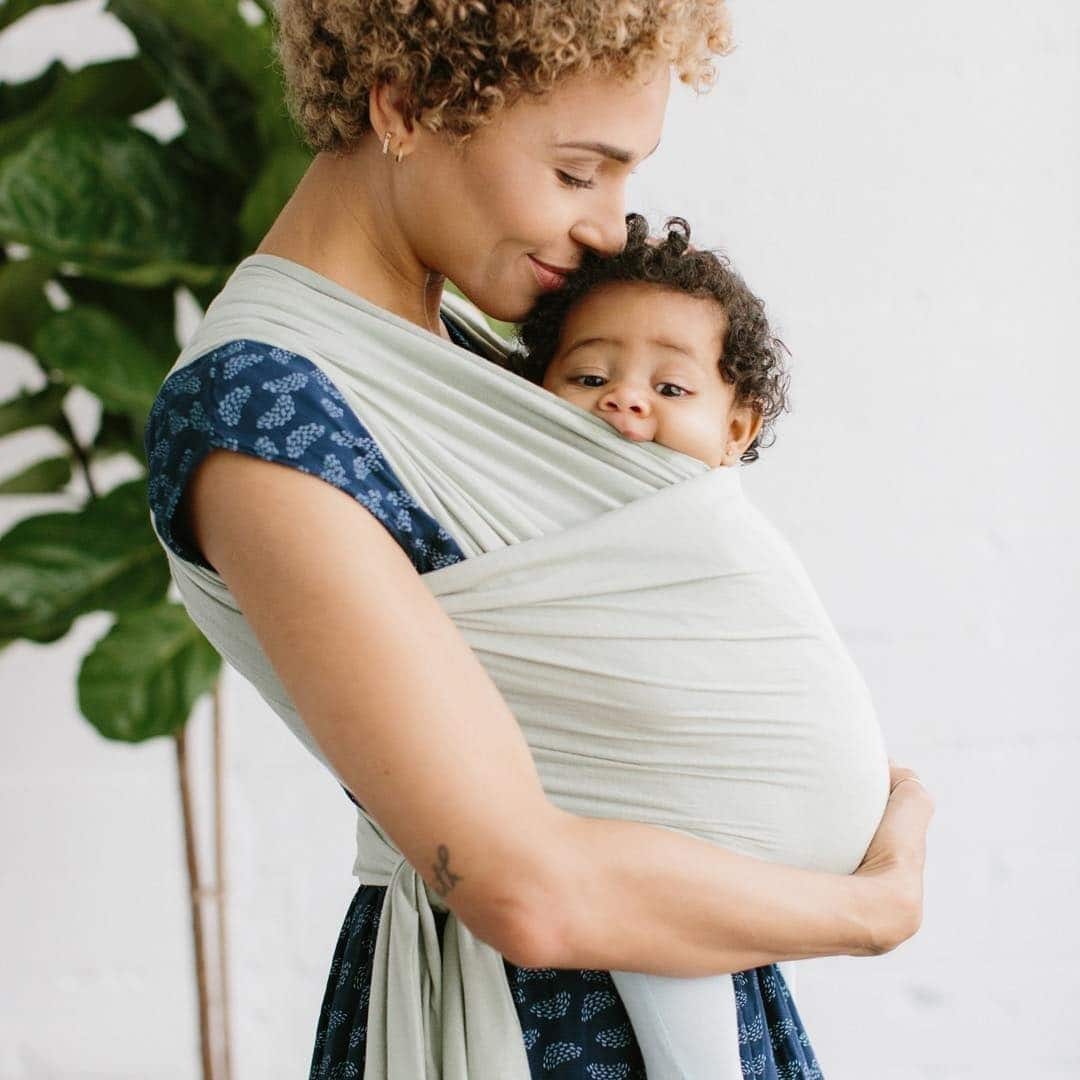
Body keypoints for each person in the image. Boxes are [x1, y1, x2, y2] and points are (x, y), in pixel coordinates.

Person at [142, 2, 935, 1078]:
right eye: (576, 174)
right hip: (537, 1029)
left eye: (624, 175)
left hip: (692, 978)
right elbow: (524, 891)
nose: (612, 227)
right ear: (405, 106)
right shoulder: (262, 416)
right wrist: (870, 911)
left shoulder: (468, 348)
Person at [507, 211, 896, 1077]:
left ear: (738, 431)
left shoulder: (712, 536)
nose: (625, 398)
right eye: (588, 374)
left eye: (672, 389)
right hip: (635, 869)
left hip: (723, 891)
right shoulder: (525, 521)